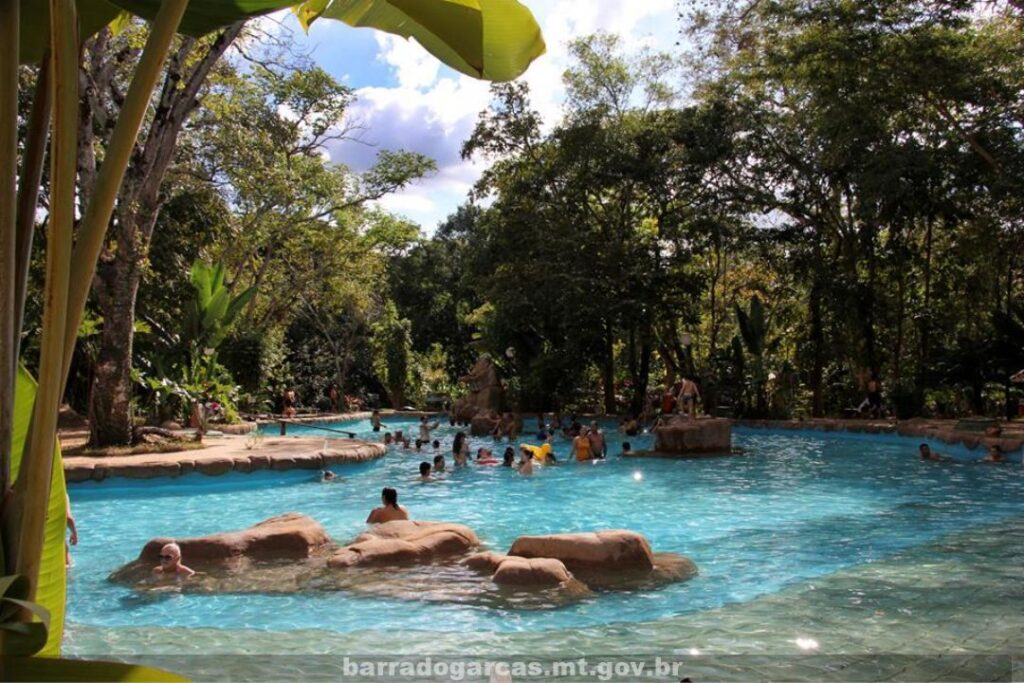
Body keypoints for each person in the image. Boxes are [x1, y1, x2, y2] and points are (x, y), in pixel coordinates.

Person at [65, 493, 77, 568]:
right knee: (68, 566)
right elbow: (68, 517)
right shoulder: (62, 494)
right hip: (55, 539)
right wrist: (74, 533)